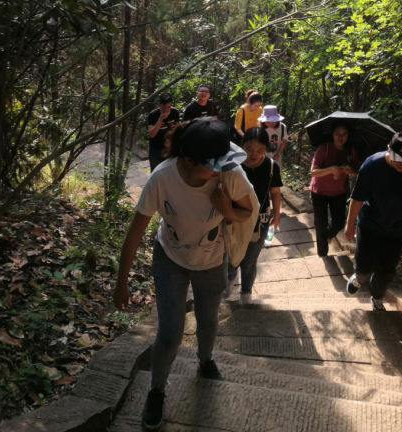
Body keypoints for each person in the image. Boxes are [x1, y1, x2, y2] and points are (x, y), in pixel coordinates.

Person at [113, 117, 255, 430]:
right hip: (170, 258)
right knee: (169, 333)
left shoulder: (230, 174)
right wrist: (121, 282)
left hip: (211, 260)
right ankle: (156, 390)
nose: (219, 170)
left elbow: (248, 211)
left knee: (208, 320)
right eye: (212, 164)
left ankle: (205, 359)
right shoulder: (162, 178)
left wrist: (226, 209)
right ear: (188, 160)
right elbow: (135, 231)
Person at [344, 131, 402, 311]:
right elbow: (357, 198)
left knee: (386, 270)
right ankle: (359, 278)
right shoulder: (372, 165)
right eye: (397, 159)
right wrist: (349, 225)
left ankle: (377, 297)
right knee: (364, 266)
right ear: (388, 149)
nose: (401, 164)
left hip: (398, 228)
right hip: (369, 224)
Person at [225, 127, 282, 304]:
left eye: (260, 150)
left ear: (266, 149)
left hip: (260, 222)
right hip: (235, 219)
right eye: (249, 149)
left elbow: (275, 192)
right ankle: (227, 286)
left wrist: (277, 214)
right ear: (242, 146)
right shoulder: (234, 165)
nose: (254, 154)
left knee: (249, 261)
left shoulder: (271, 167)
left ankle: (246, 291)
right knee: (231, 258)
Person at [309, 122, 358, 257]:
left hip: (339, 192)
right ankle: (322, 254)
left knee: (339, 222)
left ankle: (327, 236)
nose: (340, 137)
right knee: (321, 223)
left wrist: (350, 171)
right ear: (332, 134)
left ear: (348, 136)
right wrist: (330, 169)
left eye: (344, 134)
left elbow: (355, 172)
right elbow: (313, 172)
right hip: (319, 191)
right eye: (337, 134)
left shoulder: (351, 151)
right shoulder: (324, 148)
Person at [147, 92, 180, 171]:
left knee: (170, 172)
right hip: (156, 149)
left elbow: (177, 130)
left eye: (169, 106)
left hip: (169, 148)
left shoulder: (174, 112)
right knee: (155, 172)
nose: (167, 109)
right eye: (165, 107)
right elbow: (152, 134)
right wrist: (161, 119)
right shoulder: (153, 115)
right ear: (159, 104)